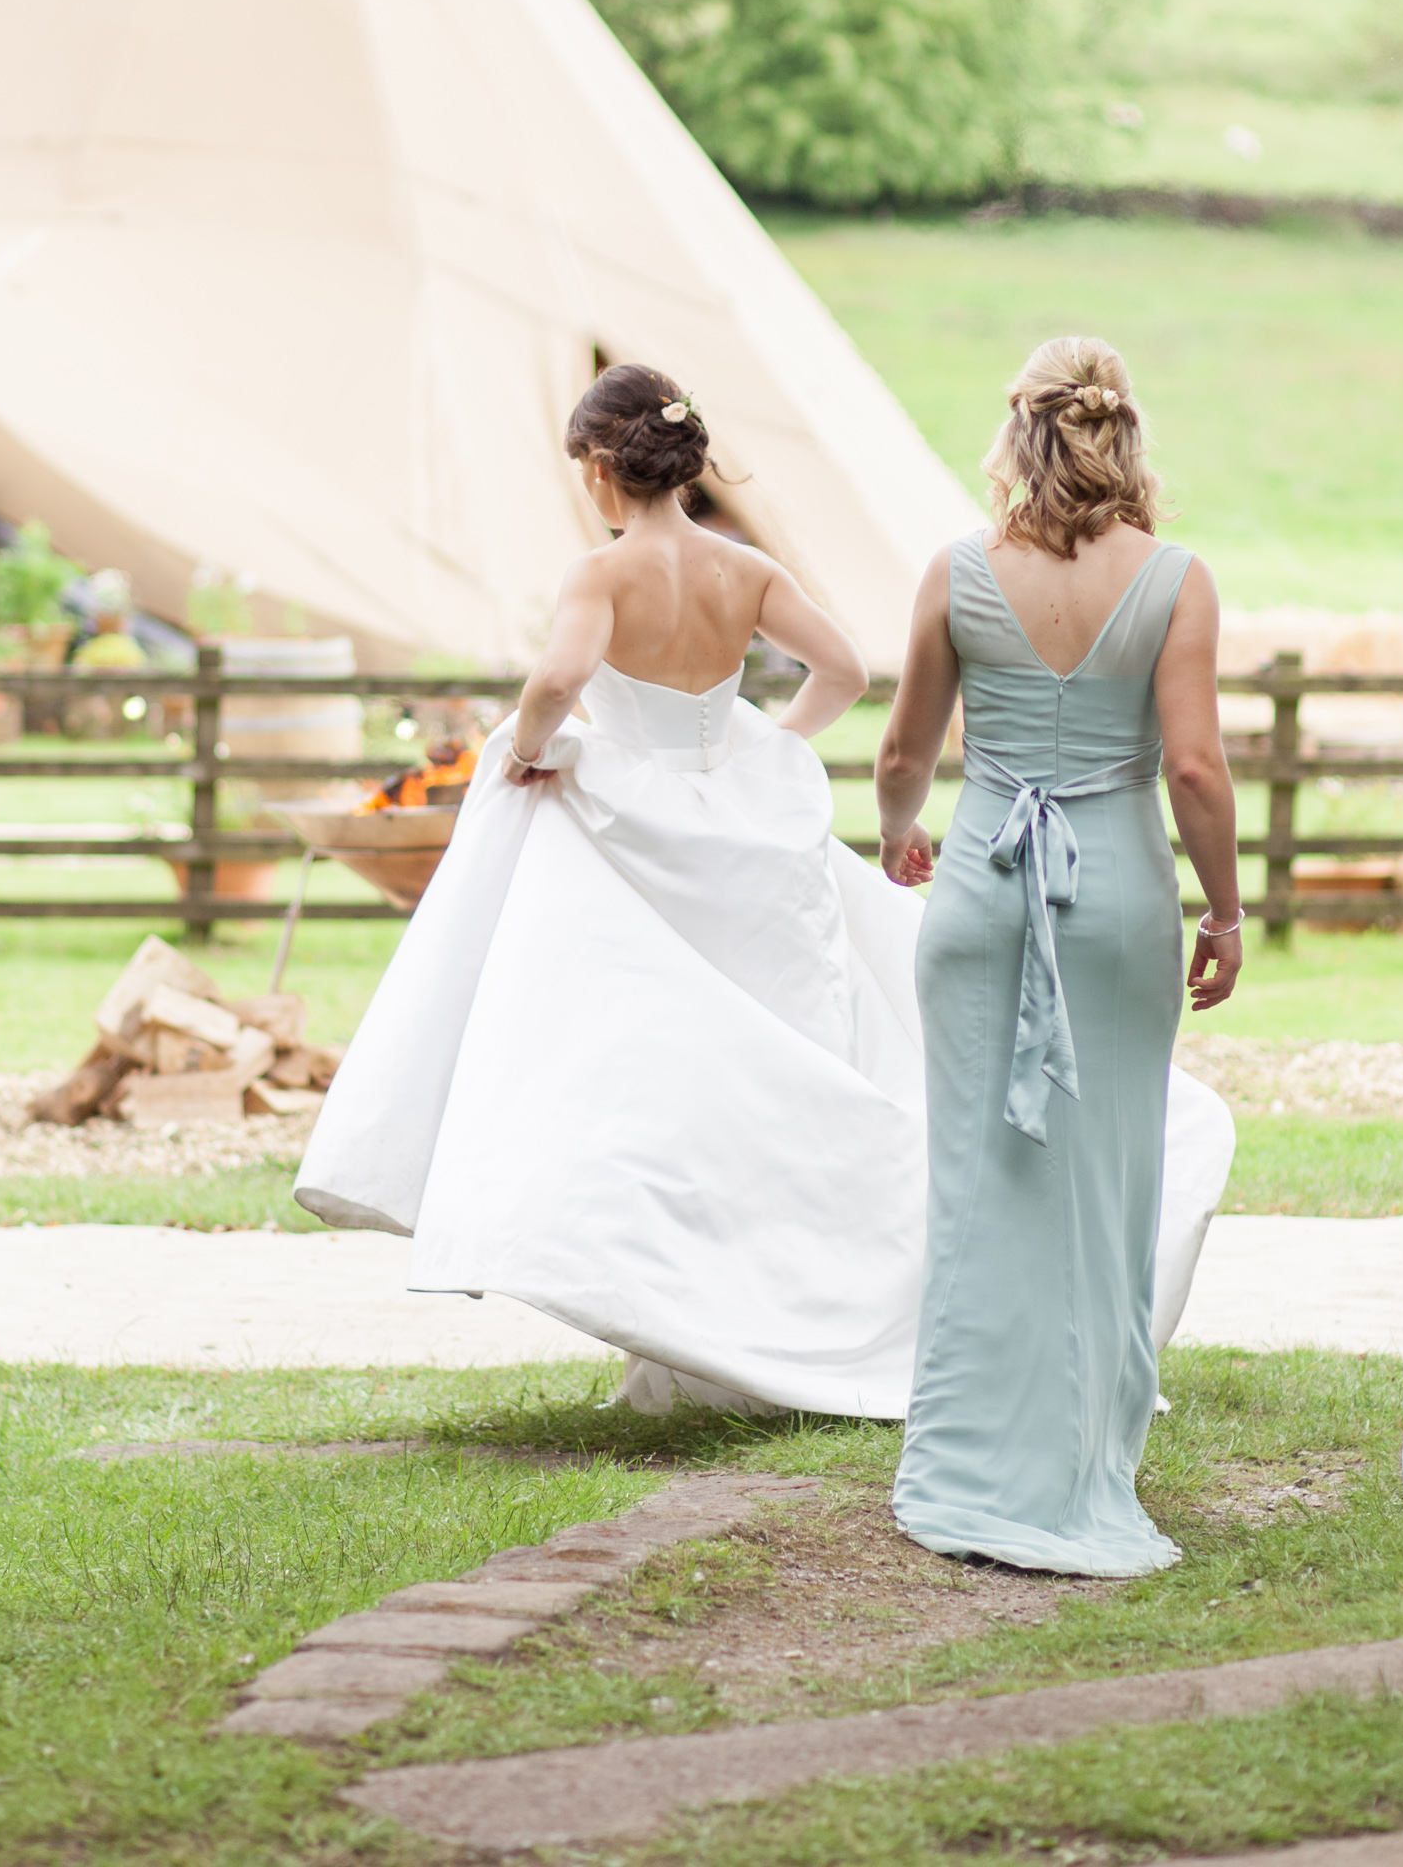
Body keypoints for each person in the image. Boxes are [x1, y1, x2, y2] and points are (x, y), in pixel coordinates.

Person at [295, 362, 929, 1415]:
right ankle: (753, 1317)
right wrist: (763, 749)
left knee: (645, 1067)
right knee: (752, 1067)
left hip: (637, 830)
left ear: (599, 468)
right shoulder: (746, 569)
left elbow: (554, 682)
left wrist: (526, 753)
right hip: (735, 833)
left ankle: (672, 1320)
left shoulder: (598, 576)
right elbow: (847, 674)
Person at [875, 337, 1241, 1575]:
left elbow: (899, 757)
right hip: (1117, 895)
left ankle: (971, 1459)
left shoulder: (955, 572)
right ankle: (1083, 1456)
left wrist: (896, 831)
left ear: (1016, 433)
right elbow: (1191, 768)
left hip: (981, 891)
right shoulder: (1175, 578)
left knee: (979, 1184)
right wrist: (1226, 911)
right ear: (1123, 433)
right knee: (1104, 1179)